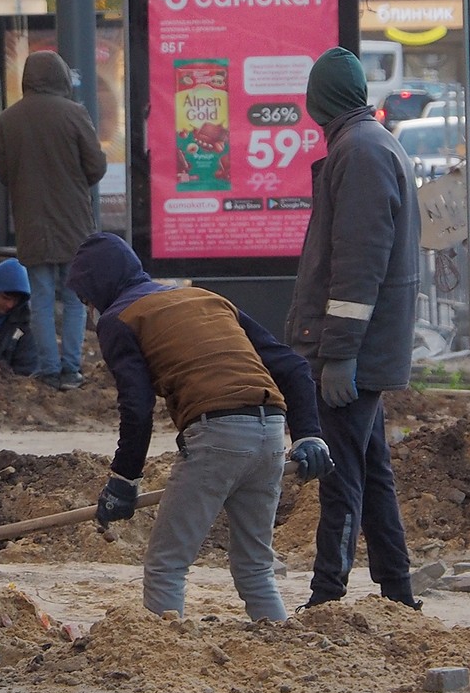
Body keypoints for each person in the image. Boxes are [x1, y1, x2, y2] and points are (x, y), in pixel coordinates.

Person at [67, 232, 334, 621]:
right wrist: (309, 435)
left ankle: (163, 663)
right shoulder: (206, 299)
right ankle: (283, 649)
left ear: (98, 287)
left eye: (86, 298)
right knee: (256, 568)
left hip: (216, 434)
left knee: (166, 566)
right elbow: (291, 365)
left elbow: (137, 407)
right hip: (270, 433)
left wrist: (123, 480)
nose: (89, 308)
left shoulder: (119, 319)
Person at [288, 47, 423, 611]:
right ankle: (398, 592)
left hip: (356, 351)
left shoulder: (360, 152)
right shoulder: (367, 143)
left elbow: (357, 265)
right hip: (367, 347)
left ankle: (327, 598)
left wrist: (340, 354)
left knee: (341, 478)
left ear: (318, 103)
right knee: (371, 470)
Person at [0, 50, 107, 390]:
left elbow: (2, 172)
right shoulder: (74, 114)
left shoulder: (9, 119)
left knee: (40, 298)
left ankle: (47, 369)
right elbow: (96, 166)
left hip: (31, 221)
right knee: (73, 298)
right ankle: (71, 369)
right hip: (72, 219)